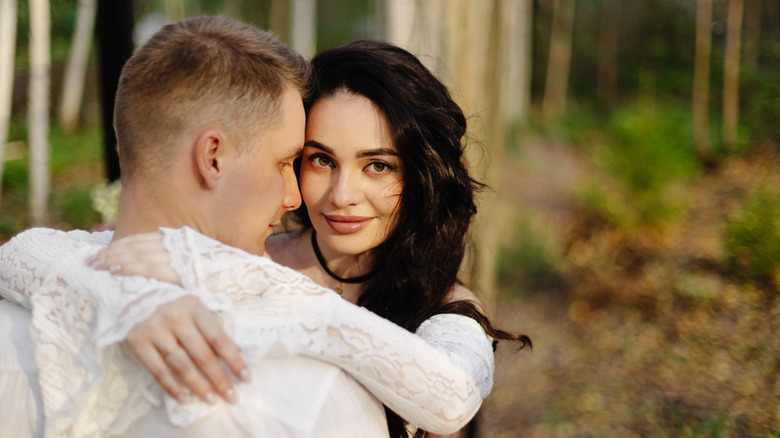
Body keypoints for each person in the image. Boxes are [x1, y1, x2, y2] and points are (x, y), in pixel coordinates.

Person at [0, 17, 489, 438]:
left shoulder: (445, 306)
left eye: (378, 165)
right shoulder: (211, 254)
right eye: (315, 159)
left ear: (422, 173)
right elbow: (30, 255)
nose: (341, 195)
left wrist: (282, 297)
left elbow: (451, 396)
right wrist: (112, 293)